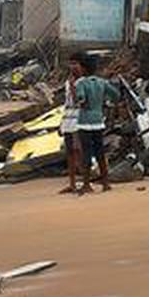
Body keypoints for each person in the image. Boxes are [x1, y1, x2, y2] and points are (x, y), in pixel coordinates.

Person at [73, 52, 121, 194]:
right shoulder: (102, 82)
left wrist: (81, 101)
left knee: (87, 153)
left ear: (84, 69)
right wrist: (106, 102)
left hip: (84, 122)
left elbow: (81, 98)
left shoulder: (80, 83)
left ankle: (87, 184)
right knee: (100, 152)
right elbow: (116, 95)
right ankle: (106, 183)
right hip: (99, 121)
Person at [57, 55, 83, 194]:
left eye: (76, 63)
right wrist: (61, 123)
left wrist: (73, 86)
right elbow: (66, 103)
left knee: (79, 151)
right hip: (67, 120)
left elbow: (78, 101)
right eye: (71, 63)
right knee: (70, 152)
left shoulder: (83, 82)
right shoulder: (68, 82)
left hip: (78, 120)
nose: (73, 67)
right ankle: (72, 183)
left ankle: (84, 181)